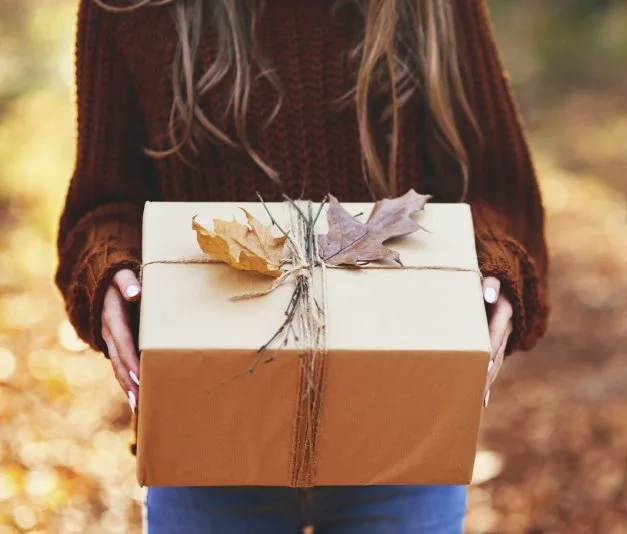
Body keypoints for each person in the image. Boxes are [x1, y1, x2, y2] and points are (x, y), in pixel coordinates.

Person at [55, 0, 550, 532]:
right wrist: (109, 269)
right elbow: (104, 202)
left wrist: (497, 267)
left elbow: (493, 186)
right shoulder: (130, 8)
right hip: (207, 431)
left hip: (402, 425)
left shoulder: (433, 8)